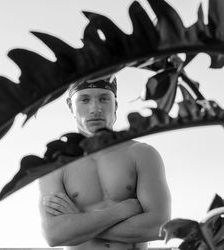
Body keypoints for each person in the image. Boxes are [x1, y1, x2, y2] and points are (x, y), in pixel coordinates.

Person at [38, 76, 171, 250]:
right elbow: (54, 234)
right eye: (85, 100)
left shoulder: (142, 154)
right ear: (71, 106)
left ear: (115, 105)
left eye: (103, 99)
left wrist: (78, 220)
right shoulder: (56, 164)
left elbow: (159, 227)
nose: (95, 108)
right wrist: (120, 211)